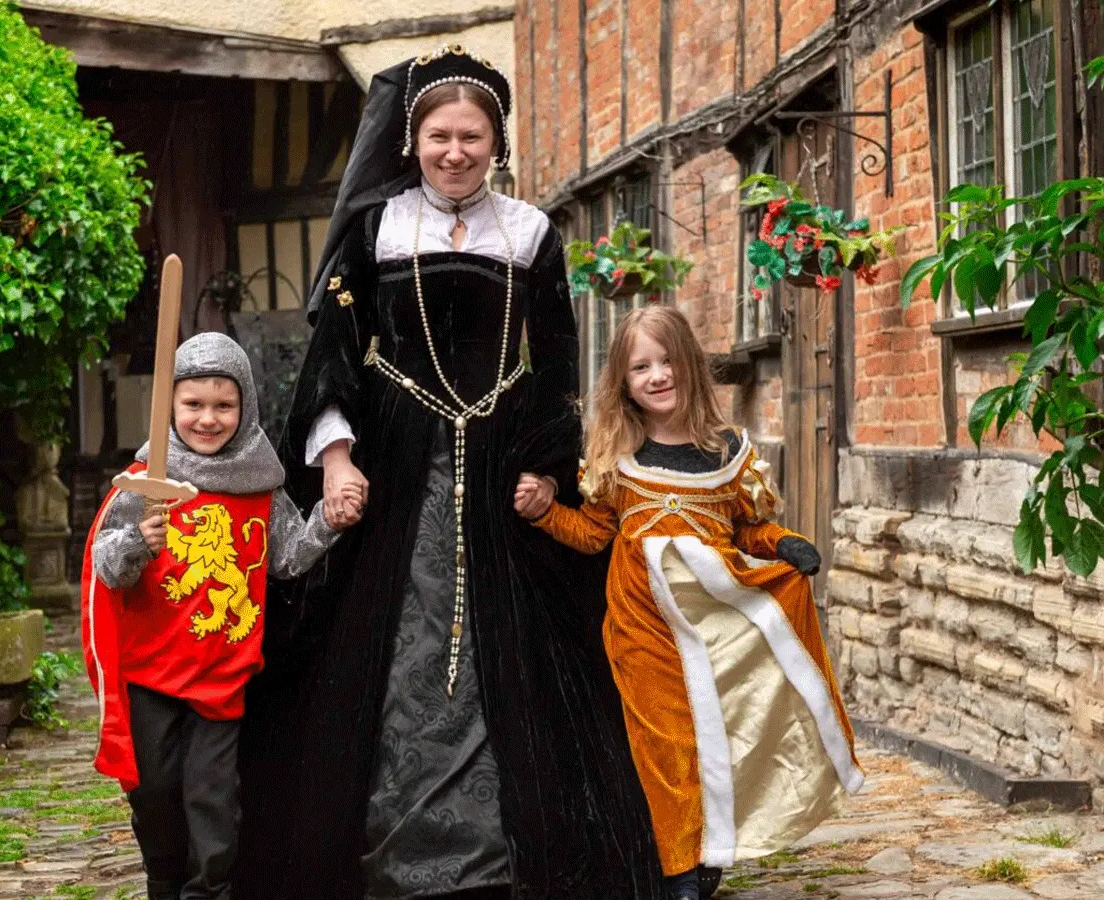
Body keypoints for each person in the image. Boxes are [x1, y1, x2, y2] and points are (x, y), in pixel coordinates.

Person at [233, 45, 667, 900]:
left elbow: (555, 363)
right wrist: (337, 459)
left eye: (472, 137)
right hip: (394, 461)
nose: (455, 152)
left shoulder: (531, 232)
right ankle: (389, 844)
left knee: (518, 652)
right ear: (414, 141)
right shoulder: (377, 230)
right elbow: (335, 356)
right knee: (388, 645)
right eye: (440, 137)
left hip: (504, 461)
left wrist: (547, 470)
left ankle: (501, 850)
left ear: (495, 143)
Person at [516, 306, 863, 900]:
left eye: (668, 360)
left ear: (691, 365)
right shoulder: (617, 458)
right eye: (640, 367)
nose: (657, 376)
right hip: (642, 629)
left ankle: (712, 851)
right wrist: (547, 512)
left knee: (721, 738)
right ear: (623, 382)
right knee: (666, 746)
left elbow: (746, 529)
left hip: (718, 623)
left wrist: (783, 543)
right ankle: (679, 869)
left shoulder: (728, 453)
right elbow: (595, 534)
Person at [80, 331, 361, 900]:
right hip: (152, 672)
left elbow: (285, 557)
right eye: (193, 404)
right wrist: (137, 542)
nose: (208, 419)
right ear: (170, 406)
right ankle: (164, 883)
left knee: (213, 806)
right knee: (155, 793)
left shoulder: (260, 484)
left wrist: (327, 522)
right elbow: (107, 569)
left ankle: (209, 891)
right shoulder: (145, 483)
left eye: (223, 405)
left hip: (221, 676)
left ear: (245, 406)